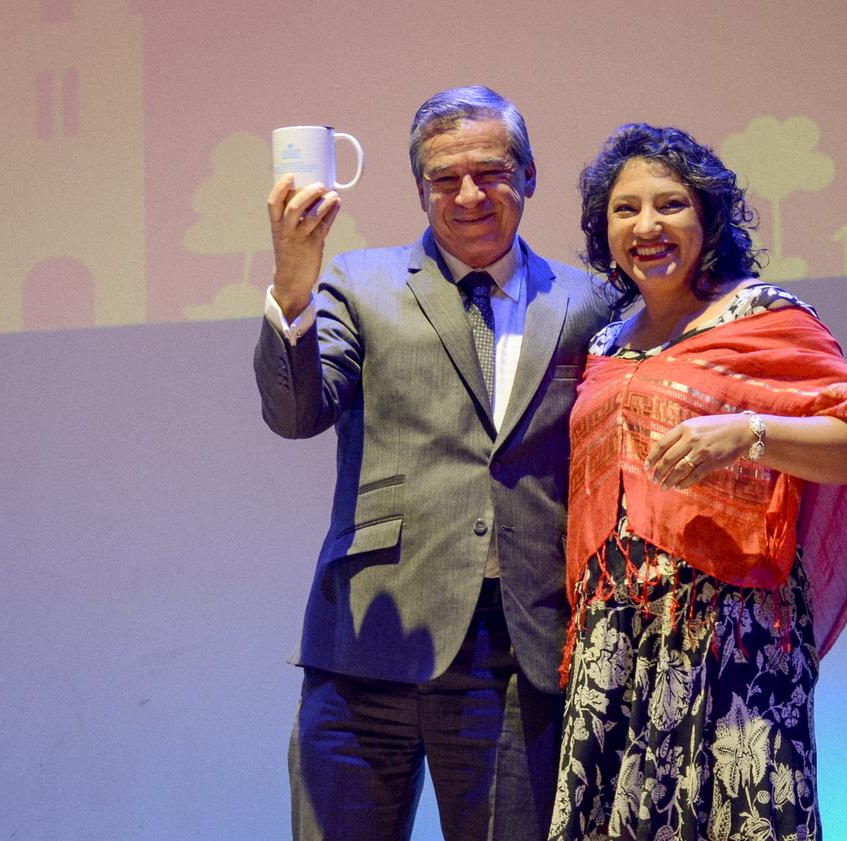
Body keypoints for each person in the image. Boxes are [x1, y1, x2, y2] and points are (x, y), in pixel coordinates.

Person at [255, 86, 611, 841]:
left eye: (491, 172)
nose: (469, 195)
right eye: (444, 178)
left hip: (517, 651)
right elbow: (295, 414)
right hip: (365, 642)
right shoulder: (357, 282)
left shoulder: (590, 302)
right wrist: (292, 283)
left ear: (530, 174)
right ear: (419, 189)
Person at [548, 124, 847, 840]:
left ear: (708, 218)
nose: (646, 226)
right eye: (625, 210)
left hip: (731, 638)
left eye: (670, 204)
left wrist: (749, 432)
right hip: (615, 640)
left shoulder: (764, 317)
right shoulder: (605, 342)